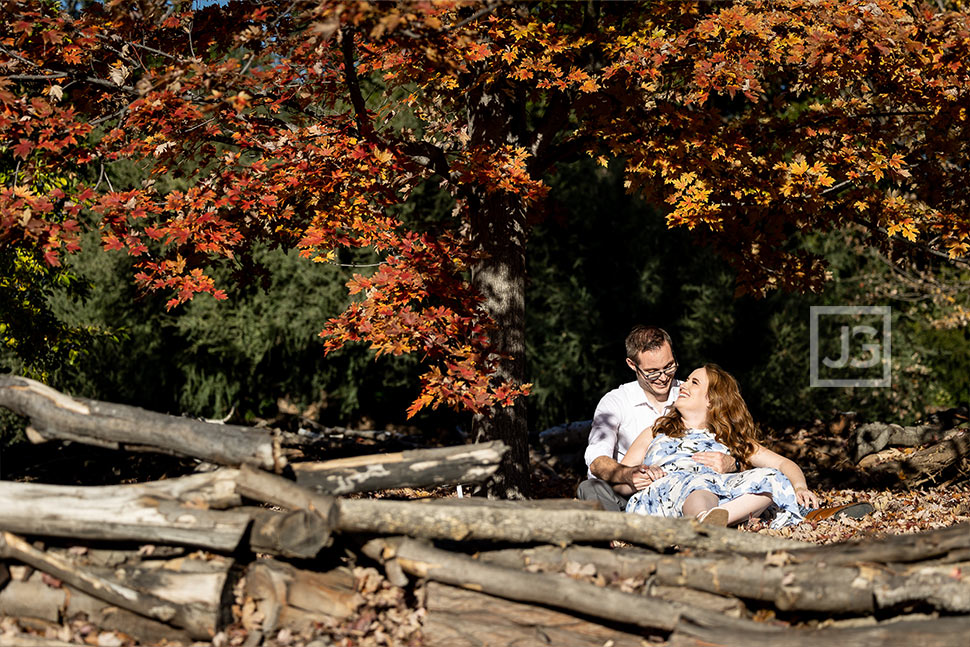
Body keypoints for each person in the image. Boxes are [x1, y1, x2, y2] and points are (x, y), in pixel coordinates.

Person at [623, 363, 820, 527]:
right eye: (687, 380)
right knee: (697, 485)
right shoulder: (657, 431)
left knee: (772, 479)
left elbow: (783, 465)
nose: (683, 385)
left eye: (695, 382)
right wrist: (638, 475)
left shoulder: (727, 438)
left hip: (718, 495)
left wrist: (800, 486)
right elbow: (619, 477)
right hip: (665, 496)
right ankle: (703, 521)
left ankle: (712, 521)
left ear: (711, 399)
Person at [577, 326, 737, 512]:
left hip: (687, 489)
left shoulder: (687, 393)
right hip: (630, 491)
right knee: (590, 488)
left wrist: (733, 463)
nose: (663, 377)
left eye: (669, 366)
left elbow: (733, 437)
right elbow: (596, 460)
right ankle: (615, 531)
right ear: (632, 364)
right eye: (652, 371)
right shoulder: (616, 401)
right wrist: (627, 474)